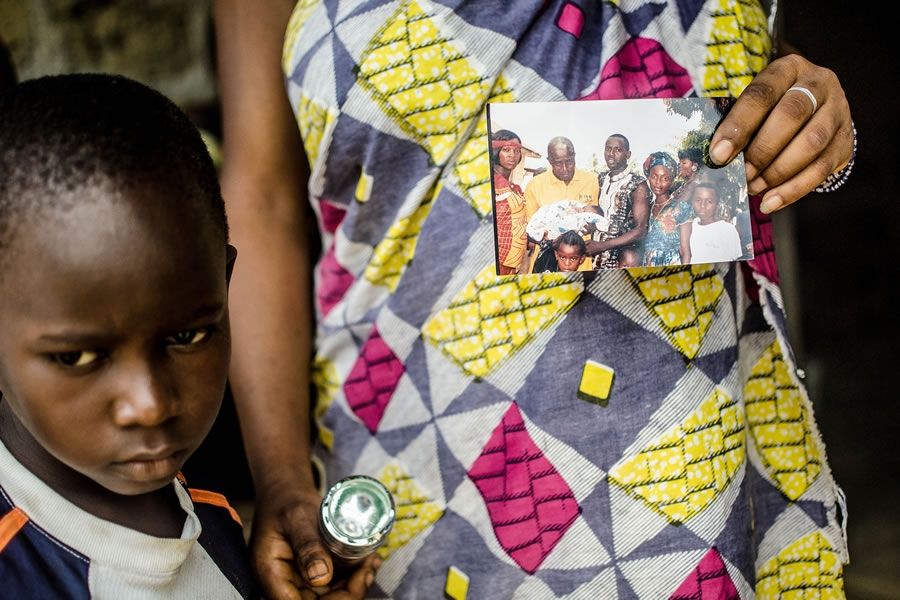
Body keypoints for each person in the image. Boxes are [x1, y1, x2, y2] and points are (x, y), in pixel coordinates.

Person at [214, 1, 854, 598]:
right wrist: (279, 476)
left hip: (686, 459)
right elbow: (261, 200)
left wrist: (807, 111)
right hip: (413, 448)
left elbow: (732, 80)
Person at [0, 74, 258, 598]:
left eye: (187, 335)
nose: (150, 405)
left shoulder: (212, 508)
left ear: (225, 285)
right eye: (75, 356)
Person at [524, 136, 599, 272]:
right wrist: (547, 239)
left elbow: (596, 216)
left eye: (569, 161)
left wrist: (589, 227)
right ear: (549, 161)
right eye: (558, 163)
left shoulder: (591, 181)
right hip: (546, 261)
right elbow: (529, 228)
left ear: (574, 156)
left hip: (581, 262)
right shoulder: (535, 185)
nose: (565, 168)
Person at [587, 133, 651, 268]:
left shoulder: (637, 184)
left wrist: (603, 245)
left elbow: (641, 230)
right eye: (608, 148)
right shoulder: (600, 179)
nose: (611, 153)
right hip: (593, 256)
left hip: (620, 259)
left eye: (618, 149)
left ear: (628, 154)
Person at [641, 151, 694, 266]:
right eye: (654, 177)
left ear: (671, 180)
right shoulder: (645, 208)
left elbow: (686, 252)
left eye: (665, 178)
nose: (658, 183)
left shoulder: (682, 208)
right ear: (648, 177)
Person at [490, 129, 528, 275]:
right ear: (496, 151)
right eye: (506, 150)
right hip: (498, 260)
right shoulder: (493, 184)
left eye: (516, 151)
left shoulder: (514, 188)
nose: (512, 155)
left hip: (513, 263)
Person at [682, 181, 744, 264]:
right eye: (698, 200)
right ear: (692, 202)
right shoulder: (689, 227)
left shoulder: (727, 230)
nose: (703, 205)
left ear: (717, 205)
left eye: (709, 201)